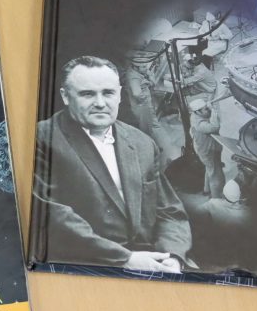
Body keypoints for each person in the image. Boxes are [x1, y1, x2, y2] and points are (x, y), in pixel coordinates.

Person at [33, 56, 192, 273]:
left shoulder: (142, 143)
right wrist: (126, 259)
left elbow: (169, 211)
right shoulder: (41, 138)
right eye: (87, 94)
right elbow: (48, 213)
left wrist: (172, 257)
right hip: (88, 265)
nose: (100, 103)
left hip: (154, 260)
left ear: (119, 95)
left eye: (108, 93)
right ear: (65, 96)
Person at [189, 97, 225, 199]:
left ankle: (206, 190)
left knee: (209, 169)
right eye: (206, 109)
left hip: (209, 147)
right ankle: (216, 198)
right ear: (198, 112)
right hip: (207, 151)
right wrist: (213, 110)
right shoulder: (199, 124)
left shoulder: (195, 115)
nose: (208, 110)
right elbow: (215, 127)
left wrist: (208, 107)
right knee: (215, 175)